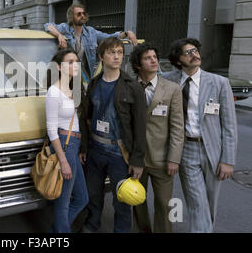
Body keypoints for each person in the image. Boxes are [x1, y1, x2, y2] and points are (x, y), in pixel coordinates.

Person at [163, 38, 237, 233]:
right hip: (186, 149)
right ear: (178, 61)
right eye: (187, 52)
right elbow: (147, 76)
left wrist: (228, 160)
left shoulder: (219, 83)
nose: (194, 54)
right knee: (197, 202)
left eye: (195, 50)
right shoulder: (169, 80)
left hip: (214, 150)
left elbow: (229, 125)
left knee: (209, 204)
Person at [80, 37, 147, 233]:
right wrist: (84, 147)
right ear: (101, 56)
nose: (117, 56)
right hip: (95, 150)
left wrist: (137, 160)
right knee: (93, 196)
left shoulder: (132, 86)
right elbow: (86, 118)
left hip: (120, 152)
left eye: (119, 52)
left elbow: (140, 127)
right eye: (111, 52)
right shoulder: (94, 84)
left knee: (122, 200)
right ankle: (91, 227)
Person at [129, 44, 184, 233]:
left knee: (164, 203)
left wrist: (174, 158)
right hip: (136, 158)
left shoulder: (172, 89)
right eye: (147, 58)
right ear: (138, 64)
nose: (154, 61)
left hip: (162, 159)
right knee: (137, 201)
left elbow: (178, 127)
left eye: (154, 57)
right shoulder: (129, 86)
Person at [45, 48, 89, 233]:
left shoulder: (73, 89)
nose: (75, 65)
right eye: (70, 62)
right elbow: (51, 130)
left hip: (73, 144)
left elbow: (77, 120)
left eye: (76, 61)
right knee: (63, 201)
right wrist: (63, 160)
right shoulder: (54, 92)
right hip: (64, 144)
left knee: (82, 198)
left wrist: (79, 149)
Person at [44, 3, 138, 84]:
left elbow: (109, 37)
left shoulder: (91, 32)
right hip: (68, 74)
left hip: (85, 76)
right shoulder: (65, 28)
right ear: (71, 17)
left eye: (84, 13)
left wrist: (126, 33)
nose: (82, 16)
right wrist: (59, 35)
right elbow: (48, 25)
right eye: (79, 14)